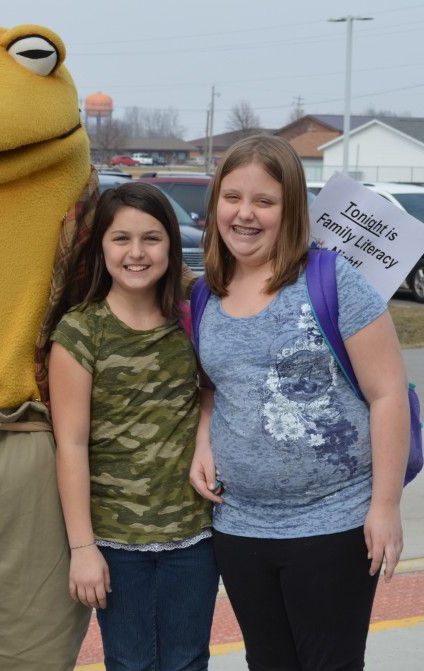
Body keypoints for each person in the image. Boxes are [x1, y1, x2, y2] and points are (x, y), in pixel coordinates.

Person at [188, 135, 409, 670]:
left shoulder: (332, 281)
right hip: (240, 528)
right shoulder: (204, 293)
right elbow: (217, 384)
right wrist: (202, 440)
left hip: (334, 524)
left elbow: (388, 394)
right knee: (267, 662)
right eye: (232, 197)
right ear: (215, 200)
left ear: (291, 210)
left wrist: (384, 506)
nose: (245, 214)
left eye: (265, 201)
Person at [50, 182, 216, 671]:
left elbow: (211, 390)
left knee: (188, 661)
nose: (137, 253)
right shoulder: (81, 332)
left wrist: (204, 435)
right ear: (101, 247)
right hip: (116, 544)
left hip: (194, 537)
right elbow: (71, 445)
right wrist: (83, 549)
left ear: (172, 243)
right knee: (130, 663)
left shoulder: (192, 319)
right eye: (121, 239)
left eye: (152, 238)